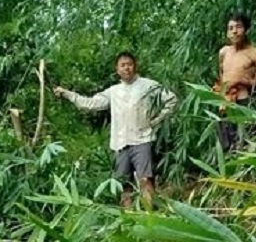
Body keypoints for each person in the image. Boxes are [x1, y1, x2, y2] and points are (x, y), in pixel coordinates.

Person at [54, 52, 177, 207]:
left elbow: (171, 99)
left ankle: (150, 218)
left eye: (129, 64)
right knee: (124, 186)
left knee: (146, 180)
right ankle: (128, 223)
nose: (127, 68)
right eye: (123, 65)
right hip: (120, 144)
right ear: (117, 69)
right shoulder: (113, 91)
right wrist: (67, 94)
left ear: (135, 66)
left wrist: (156, 120)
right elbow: (90, 104)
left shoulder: (149, 85)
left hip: (142, 140)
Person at [214, 12, 256, 151]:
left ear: (246, 30)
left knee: (247, 141)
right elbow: (221, 75)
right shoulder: (224, 52)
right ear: (227, 33)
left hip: (245, 102)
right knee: (227, 145)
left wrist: (242, 80)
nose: (234, 31)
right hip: (225, 102)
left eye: (238, 27)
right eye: (230, 28)